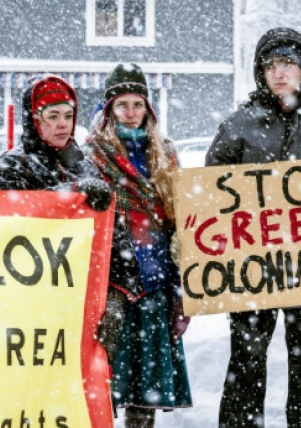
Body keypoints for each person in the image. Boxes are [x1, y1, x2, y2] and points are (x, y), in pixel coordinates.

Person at [206, 27, 301, 428]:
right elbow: (210, 199)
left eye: (288, 63)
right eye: (270, 65)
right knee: (247, 361)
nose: (279, 72)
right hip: (250, 269)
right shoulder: (238, 126)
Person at [88, 63, 192, 428]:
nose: (130, 112)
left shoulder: (166, 153)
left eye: (137, 104)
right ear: (109, 110)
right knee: (102, 375)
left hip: (156, 279)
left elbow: (182, 219)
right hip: (111, 282)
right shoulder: (94, 156)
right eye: (122, 105)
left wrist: (182, 286)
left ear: (148, 108)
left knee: (146, 384)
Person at [0, 74, 111, 210]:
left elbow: (110, 227)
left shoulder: (85, 167)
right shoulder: (11, 166)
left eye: (68, 116)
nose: (63, 124)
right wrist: (74, 190)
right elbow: (7, 217)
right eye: (53, 116)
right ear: (33, 121)